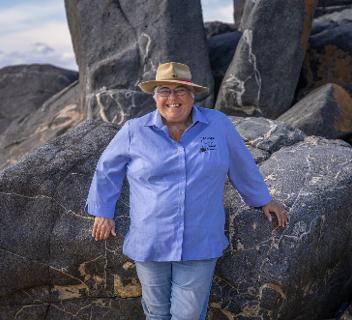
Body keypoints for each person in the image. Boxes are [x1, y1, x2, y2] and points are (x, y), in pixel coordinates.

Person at [85, 62, 289, 320]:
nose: (172, 98)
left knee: (189, 315)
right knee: (156, 312)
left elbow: (241, 163)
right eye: (164, 91)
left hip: (200, 239)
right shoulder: (134, 131)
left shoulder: (217, 124)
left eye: (180, 90)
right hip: (150, 239)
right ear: (155, 97)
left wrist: (263, 200)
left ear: (193, 95)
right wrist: (103, 211)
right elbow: (107, 170)